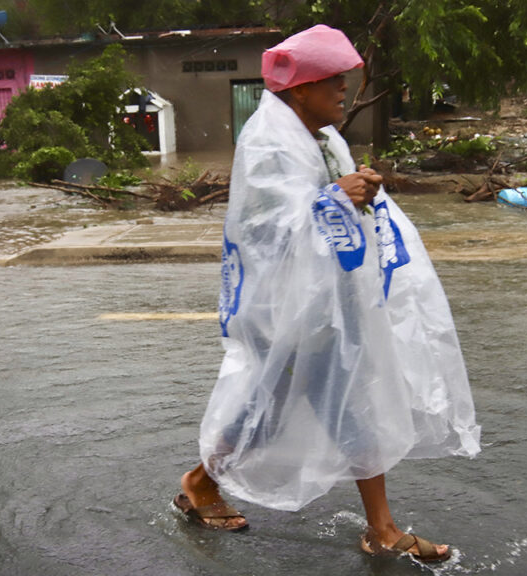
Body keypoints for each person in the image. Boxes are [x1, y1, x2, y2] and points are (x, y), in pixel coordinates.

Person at [173, 24, 480, 563]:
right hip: (281, 305)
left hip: (325, 300)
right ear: (299, 90)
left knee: (324, 404)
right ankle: (206, 483)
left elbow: (321, 205)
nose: (343, 91)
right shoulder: (269, 143)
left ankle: (376, 526)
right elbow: (264, 230)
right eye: (332, 82)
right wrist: (335, 195)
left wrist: (353, 190)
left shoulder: (321, 136)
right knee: (280, 409)